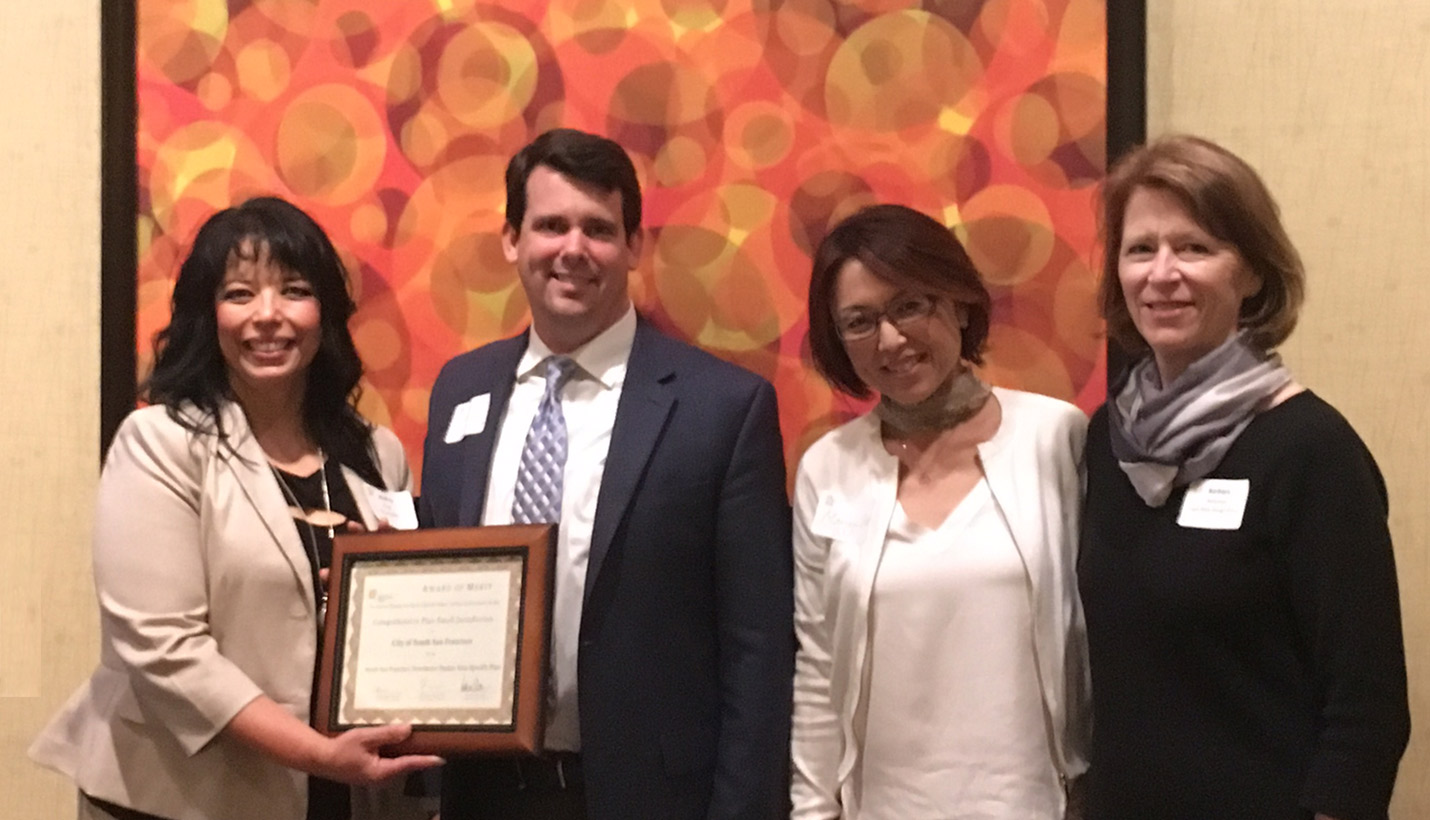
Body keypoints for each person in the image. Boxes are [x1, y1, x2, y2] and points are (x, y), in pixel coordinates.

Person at [419, 128, 793, 819]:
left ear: (633, 248)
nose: (573, 249)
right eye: (551, 225)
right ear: (511, 239)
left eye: (598, 229)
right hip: (483, 796)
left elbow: (758, 649)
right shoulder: (459, 390)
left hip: (650, 799)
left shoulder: (723, 409)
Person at [29, 197, 442, 820]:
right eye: (240, 294)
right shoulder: (161, 444)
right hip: (180, 797)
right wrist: (318, 754)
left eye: (294, 291)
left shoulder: (375, 455)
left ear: (324, 312)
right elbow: (163, 648)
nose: (268, 317)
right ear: (209, 314)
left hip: (342, 793)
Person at [1078, 134, 1411, 820]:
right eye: (1141, 249)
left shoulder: (1310, 450)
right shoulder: (1105, 442)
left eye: (1195, 248)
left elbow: (1367, 703)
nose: (1161, 273)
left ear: (1252, 273)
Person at [790, 204, 1090, 819]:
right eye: (860, 322)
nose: (891, 340)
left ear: (956, 302)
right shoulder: (828, 467)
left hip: (1034, 803)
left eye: (910, 305)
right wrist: (813, 811)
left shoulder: (1055, 438)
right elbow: (818, 669)